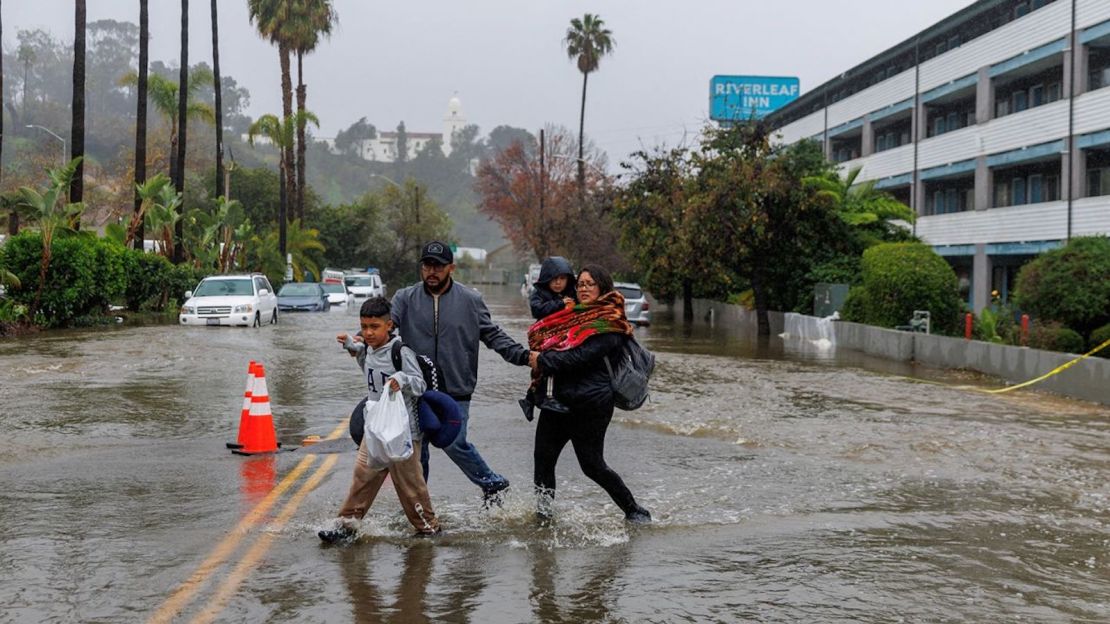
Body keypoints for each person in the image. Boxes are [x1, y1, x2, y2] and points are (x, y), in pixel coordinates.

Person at [391, 241, 535, 503]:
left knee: (455, 442)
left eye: (438, 266)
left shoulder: (470, 300)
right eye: (426, 266)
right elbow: (384, 328)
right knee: (417, 450)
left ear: (451, 268)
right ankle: (418, 505)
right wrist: (361, 341)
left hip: (457, 387)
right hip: (415, 389)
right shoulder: (405, 298)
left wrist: (524, 357)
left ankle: (492, 483)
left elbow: (493, 335)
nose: (431, 271)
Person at [529, 264, 652, 524]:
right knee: (543, 460)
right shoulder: (569, 315)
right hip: (557, 401)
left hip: (591, 405)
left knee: (592, 465)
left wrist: (543, 360)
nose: (583, 288)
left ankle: (634, 510)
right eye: (581, 284)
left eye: (590, 284)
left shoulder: (610, 321)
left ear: (602, 287)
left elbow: (581, 357)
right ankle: (543, 517)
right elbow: (544, 321)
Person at [319, 296, 439, 542]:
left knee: (410, 486)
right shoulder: (369, 350)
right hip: (374, 429)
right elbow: (365, 359)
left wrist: (401, 380)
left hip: (401, 432)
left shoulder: (401, 351)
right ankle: (346, 525)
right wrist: (352, 345)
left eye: (374, 327)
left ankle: (428, 528)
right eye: (364, 327)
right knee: (362, 477)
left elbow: (420, 383)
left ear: (389, 325)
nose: (369, 332)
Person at [519, 256, 577, 421]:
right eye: (554, 279)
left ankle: (529, 400)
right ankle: (548, 398)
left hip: (562, 337)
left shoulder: (572, 294)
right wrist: (560, 304)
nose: (558, 283)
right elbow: (537, 310)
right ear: (546, 280)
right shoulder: (539, 294)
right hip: (544, 337)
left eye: (562, 279)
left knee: (543, 371)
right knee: (546, 367)